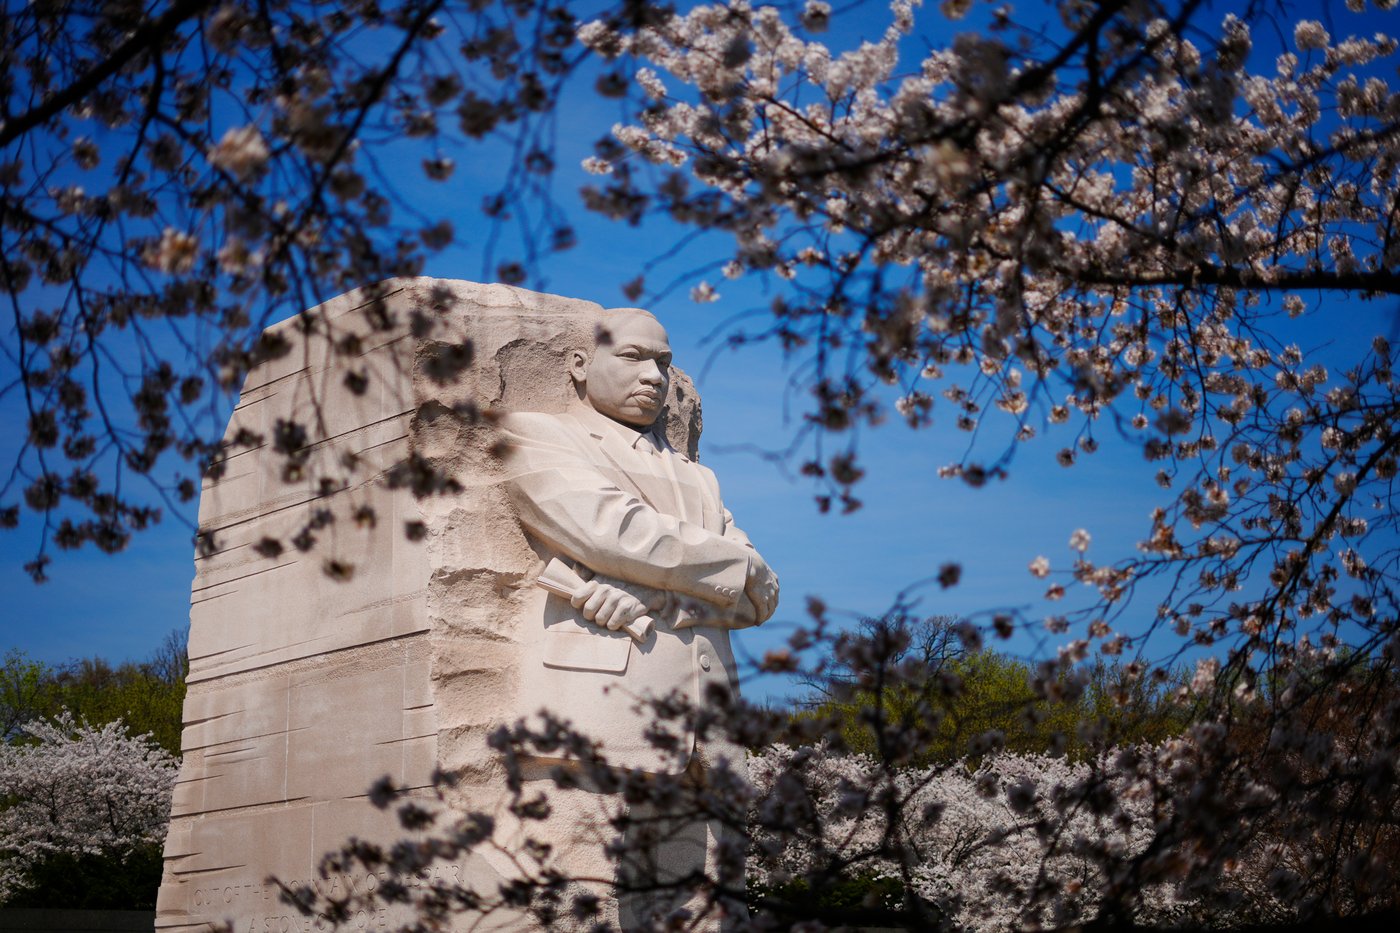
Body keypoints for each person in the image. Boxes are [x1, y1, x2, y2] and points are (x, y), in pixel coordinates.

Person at [498, 307, 778, 928]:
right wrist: (719, 574)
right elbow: (613, 532)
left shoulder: (699, 478)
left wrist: (657, 595)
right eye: (632, 357)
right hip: (595, 708)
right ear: (578, 364)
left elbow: (764, 593)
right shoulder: (536, 433)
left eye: (663, 362)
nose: (653, 375)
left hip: (708, 727)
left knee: (705, 910)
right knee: (572, 901)